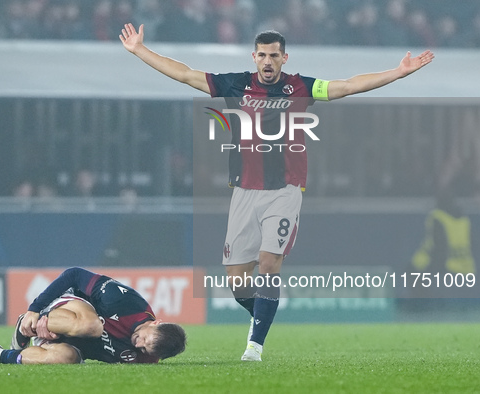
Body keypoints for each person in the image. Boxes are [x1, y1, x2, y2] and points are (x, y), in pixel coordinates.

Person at [119, 23, 434, 361]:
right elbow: (184, 73)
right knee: (238, 283)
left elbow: (349, 85)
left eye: (274, 55)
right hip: (243, 192)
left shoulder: (301, 87)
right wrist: (140, 50)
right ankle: (266, 312)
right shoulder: (235, 84)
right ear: (254, 57)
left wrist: (398, 73)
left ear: (284, 58)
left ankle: (254, 346)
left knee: (269, 264)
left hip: (284, 191)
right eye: (262, 55)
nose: (268, 61)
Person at [0, 267, 186, 364]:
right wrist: (35, 308)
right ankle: (27, 323)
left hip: (74, 342)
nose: (139, 345)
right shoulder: (125, 302)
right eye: (146, 338)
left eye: (146, 349)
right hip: (68, 309)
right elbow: (74, 274)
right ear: (156, 322)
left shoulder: (147, 357)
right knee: (92, 326)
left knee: (65, 359)